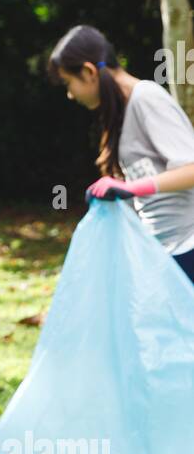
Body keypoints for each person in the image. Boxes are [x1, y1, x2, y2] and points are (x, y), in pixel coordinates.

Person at [48, 24, 194, 284]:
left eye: (69, 83)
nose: (70, 95)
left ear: (88, 72)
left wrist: (133, 188)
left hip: (187, 247)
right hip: (161, 252)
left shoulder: (146, 97)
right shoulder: (120, 111)